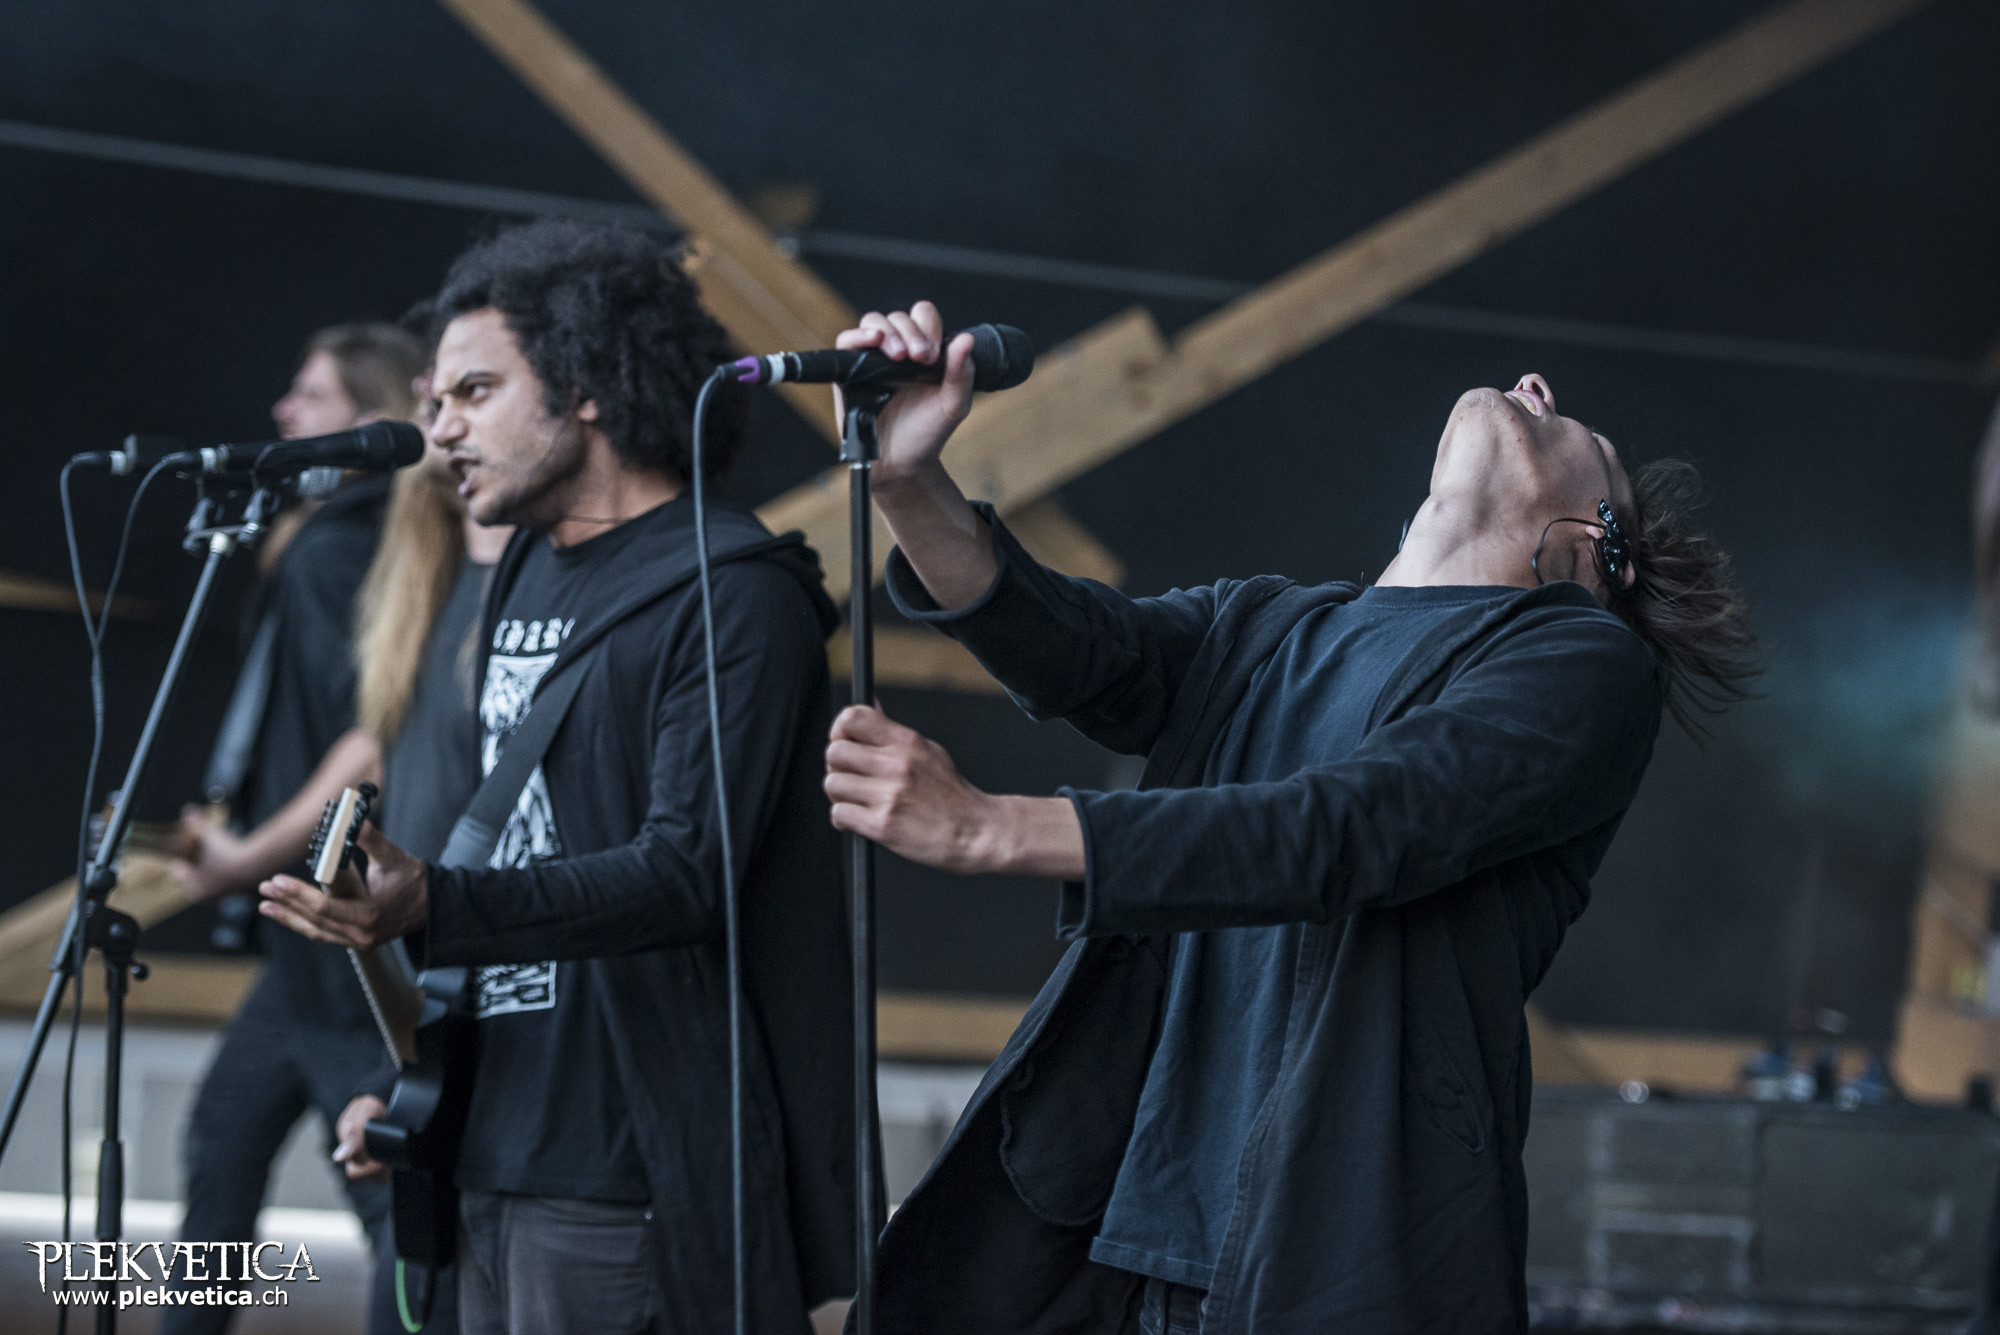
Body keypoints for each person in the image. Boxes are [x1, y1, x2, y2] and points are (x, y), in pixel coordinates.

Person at [817, 302, 1757, 1333]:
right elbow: (1075, 647)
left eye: (1578, 430)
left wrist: (990, 828)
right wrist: (906, 480)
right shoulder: (1272, 625)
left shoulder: (1584, 664)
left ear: (1598, 545)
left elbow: (1353, 825)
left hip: (1332, 1263)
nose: (1534, 386)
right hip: (1112, 1251)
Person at [258, 220, 859, 1335]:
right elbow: (525, 845)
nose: (440, 428)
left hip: (618, 1168)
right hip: (488, 1135)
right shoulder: (529, 566)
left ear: (585, 386)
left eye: (475, 392)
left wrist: (438, 902)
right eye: (436, 399)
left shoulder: (732, 592)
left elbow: (686, 872)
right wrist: (423, 1082)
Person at [160, 322, 426, 1334]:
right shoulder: (350, 547)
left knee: (380, 1178)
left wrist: (243, 855)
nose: (283, 412)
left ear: (367, 421)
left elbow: (373, 744)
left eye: (310, 397)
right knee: (224, 1142)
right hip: (305, 953)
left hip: (341, 936)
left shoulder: (334, 552)